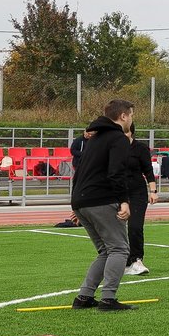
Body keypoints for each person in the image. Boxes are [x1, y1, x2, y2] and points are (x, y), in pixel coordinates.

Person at [68, 100, 144, 312]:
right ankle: (108, 299)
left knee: (105, 251)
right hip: (102, 199)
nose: (131, 119)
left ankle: (84, 296)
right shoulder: (117, 139)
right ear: (122, 116)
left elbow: (79, 171)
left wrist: (76, 204)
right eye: (131, 115)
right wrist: (124, 201)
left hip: (82, 199)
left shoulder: (95, 138)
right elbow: (116, 172)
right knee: (119, 249)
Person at [124, 127, 158, 276]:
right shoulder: (111, 149)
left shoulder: (140, 148)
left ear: (131, 132)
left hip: (137, 192)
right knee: (116, 230)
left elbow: (148, 171)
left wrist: (153, 191)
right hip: (117, 192)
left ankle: (136, 259)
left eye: (125, 132)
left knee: (135, 226)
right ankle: (121, 262)